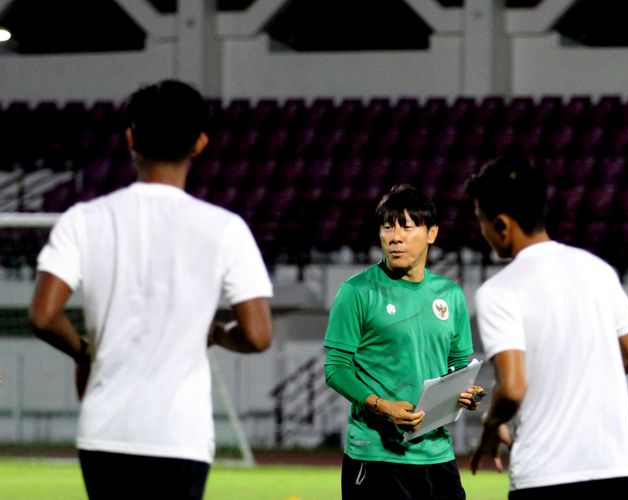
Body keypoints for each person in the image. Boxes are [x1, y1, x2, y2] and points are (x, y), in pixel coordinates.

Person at [28, 79, 274, 500]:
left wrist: (84, 351)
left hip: (104, 432)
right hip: (179, 435)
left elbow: (43, 315)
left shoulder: (85, 219)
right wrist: (216, 333)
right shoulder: (225, 228)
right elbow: (257, 335)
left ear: (130, 139)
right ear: (199, 143)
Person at [466, 157, 628, 499]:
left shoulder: (498, 291)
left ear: (502, 225)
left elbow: (512, 388)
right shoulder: (596, 269)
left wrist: (491, 426)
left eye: (481, 222)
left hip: (546, 476)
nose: (483, 232)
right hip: (616, 471)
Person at [323, 184, 482, 500]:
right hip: (376, 456)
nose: (394, 237)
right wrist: (382, 406)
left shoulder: (450, 294)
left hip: (437, 455)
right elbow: (336, 369)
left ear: (431, 233)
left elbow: (459, 367)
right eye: (387, 227)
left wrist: (470, 393)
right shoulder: (356, 292)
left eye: (406, 227)